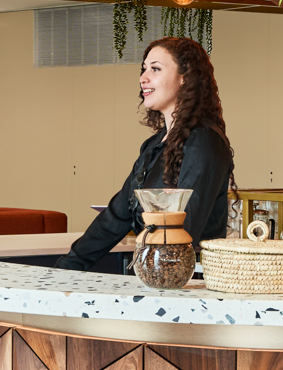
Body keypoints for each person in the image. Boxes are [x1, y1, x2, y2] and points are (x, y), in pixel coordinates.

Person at [58, 35, 234, 273]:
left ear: (185, 78)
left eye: (155, 69)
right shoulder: (154, 144)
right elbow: (116, 216)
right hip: (154, 276)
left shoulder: (203, 141)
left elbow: (185, 228)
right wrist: (67, 267)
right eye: (144, 69)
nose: (144, 78)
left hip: (187, 282)